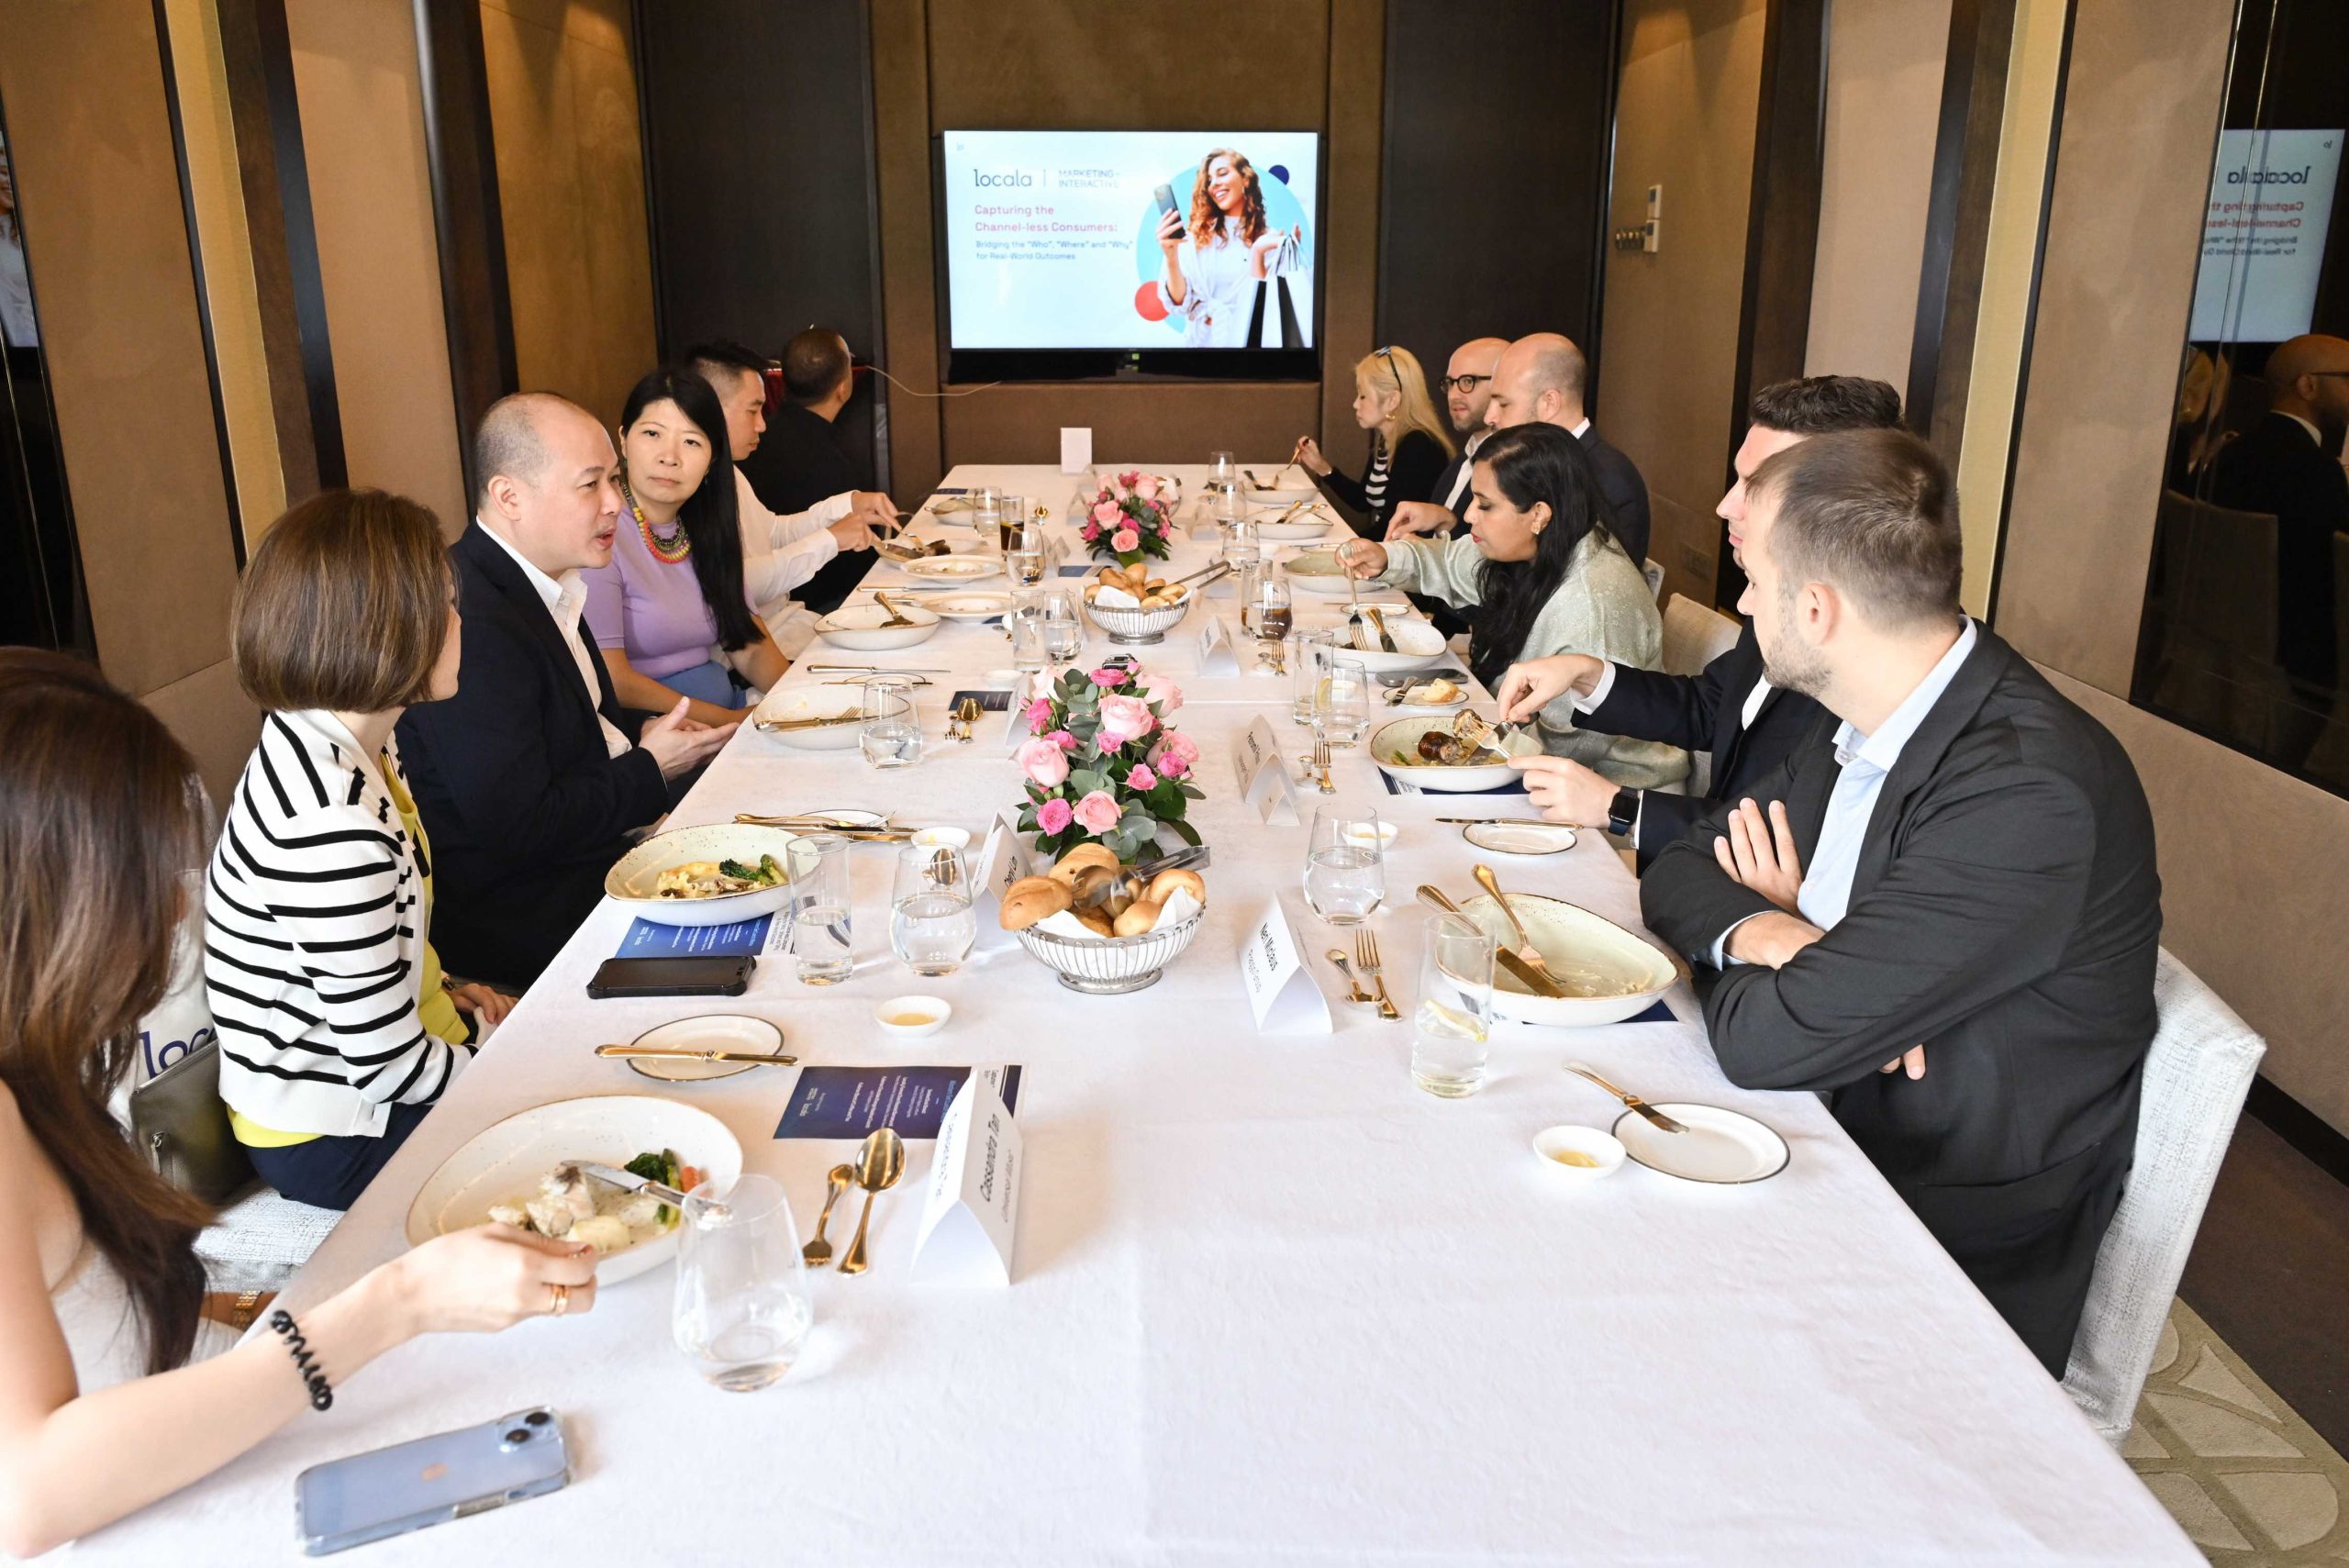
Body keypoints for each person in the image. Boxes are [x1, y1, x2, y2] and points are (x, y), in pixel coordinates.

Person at [0, 650, 599, 1556]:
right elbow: (27, 1485)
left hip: (201, 1461)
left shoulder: (42, 1072)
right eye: (144, 878)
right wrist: (389, 1303)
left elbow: (117, 1339)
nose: (174, 913)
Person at [1640, 428, 2161, 1377]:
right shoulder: (1873, 711)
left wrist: (1806, 984)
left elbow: (1765, 1043)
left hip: (1940, 1228)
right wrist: (1778, 933)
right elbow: (1678, 864)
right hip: (1832, 1116)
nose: (1742, 603)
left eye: (1750, 581)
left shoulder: (2025, 790)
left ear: (1816, 607)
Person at [205, 489, 516, 1210]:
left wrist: (439, 990)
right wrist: (506, 1065)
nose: (461, 622)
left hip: (378, 1067)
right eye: (446, 602)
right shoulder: (328, 820)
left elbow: (381, 941)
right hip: (335, 1129)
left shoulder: (345, 738)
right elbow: (386, 1066)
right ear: (385, 629)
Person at [395, 393, 734, 987]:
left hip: (591, 863)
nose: (614, 504)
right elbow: (519, 828)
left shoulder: (550, 584)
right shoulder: (470, 617)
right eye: (590, 485)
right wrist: (650, 768)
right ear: (509, 497)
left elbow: (576, 734)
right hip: (528, 922)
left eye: (614, 480)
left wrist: (643, 741)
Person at [1495, 375, 1902, 868]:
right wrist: (1586, 673)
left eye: (1756, 486)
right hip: (1697, 870)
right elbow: (1712, 707)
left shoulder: (1877, 653)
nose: (1725, 505)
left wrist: (1621, 806)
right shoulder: (1772, 594)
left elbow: (1797, 844)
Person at [1336, 423, 1686, 788]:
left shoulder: (1590, 604)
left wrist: (1462, 756)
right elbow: (1453, 562)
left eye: (1485, 505)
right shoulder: (1548, 542)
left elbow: (1571, 745)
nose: (1469, 515)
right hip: (1538, 754)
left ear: (1538, 513)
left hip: (1611, 796)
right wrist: (1387, 557)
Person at [589, 367, 791, 725]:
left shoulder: (702, 528)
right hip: (660, 736)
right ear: (622, 440)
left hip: (728, 711)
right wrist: (730, 721)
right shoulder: (600, 536)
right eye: (652, 433)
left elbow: (747, 643)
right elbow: (614, 680)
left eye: (692, 441)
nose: (670, 457)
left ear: (713, 459)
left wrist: (804, 697)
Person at [681, 339, 895, 628]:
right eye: (752, 411)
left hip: (787, 622)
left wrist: (846, 505)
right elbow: (740, 583)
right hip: (759, 640)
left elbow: (772, 532)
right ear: (711, 408)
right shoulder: (687, 488)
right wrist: (829, 540)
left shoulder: (726, 471)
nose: (762, 425)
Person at [2208, 332, 2349, 696]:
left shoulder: (2231, 453)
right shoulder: (2317, 472)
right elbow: (2328, 582)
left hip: (2215, 644)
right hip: (2293, 669)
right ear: (2308, 385)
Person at [1483, 333, 1651, 565]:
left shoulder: (1608, 479)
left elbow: (1590, 585)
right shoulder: (1542, 463)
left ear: (1549, 403)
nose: (1489, 417)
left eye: (1503, 404)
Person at [744, 327, 872, 615]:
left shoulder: (763, 439)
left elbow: (775, 528)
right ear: (844, 386)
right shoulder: (832, 460)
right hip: (816, 603)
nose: (758, 424)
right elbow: (853, 568)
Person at [1294, 345, 1453, 540]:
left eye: (1362, 396)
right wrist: (1321, 467)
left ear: (1392, 400)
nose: (1355, 404)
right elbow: (1363, 500)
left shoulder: (1418, 447)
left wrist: (1339, 547)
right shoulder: (1387, 440)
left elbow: (1391, 529)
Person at [1153, 147, 1306, 348]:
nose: (1214, 183)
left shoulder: (1270, 239)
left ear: (1246, 178)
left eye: (1222, 173)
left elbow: (1269, 307)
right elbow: (1179, 303)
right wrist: (1171, 256)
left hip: (1250, 354)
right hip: (1198, 352)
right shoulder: (1192, 238)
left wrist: (1262, 252)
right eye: (1208, 180)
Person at [1384, 337, 1509, 542]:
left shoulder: (1513, 467)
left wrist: (1447, 521)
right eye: (1450, 383)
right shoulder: (1463, 459)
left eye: (1468, 381)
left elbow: (1492, 561)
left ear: (1503, 385)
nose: (1453, 394)